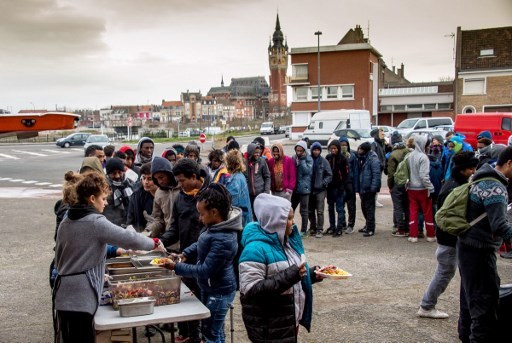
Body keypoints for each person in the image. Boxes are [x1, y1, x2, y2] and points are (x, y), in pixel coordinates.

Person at [53, 172, 164, 342]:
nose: (105, 203)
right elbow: (129, 239)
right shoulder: (95, 221)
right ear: (91, 198)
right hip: (81, 297)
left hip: (64, 293)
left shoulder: (68, 219)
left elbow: (81, 251)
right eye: (103, 198)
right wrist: (153, 242)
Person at [239, 193, 323, 342]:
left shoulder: (286, 242)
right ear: (275, 221)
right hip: (269, 327)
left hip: (287, 322)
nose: (293, 222)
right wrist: (293, 274)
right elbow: (251, 290)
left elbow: (287, 276)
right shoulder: (254, 249)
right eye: (289, 218)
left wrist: (312, 274)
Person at [162, 184, 241, 343]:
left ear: (214, 212)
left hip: (219, 291)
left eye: (201, 214)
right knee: (213, 330)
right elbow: (200, 244)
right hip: (209, 287)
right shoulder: (213, 226)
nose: (199, 218)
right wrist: (184, 254)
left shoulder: (225, 239)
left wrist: (176, 267)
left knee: (210, 333)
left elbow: (205, 270)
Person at [458, 147, 512, 342]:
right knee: (485, 307)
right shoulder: (495, 187)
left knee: (469, 299)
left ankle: (465, 335)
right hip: (480, 250)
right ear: (509, 163)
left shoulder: (480, 176)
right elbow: (500, 226)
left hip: (466, 246)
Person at [418, 151, 478, 319]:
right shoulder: (454, 188)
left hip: (448, 239)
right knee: (444, 272)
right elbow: (446, 217)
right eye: (471, 168)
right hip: (449, 240)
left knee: (446, 272)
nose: (474, 171)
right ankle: (426, 306)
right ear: (462, 169)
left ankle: (427, 305)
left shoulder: (455, 183)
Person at [159, 158, 211, 343]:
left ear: (195, 177)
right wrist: (159, 242)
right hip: (185, 256)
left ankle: (202, 337)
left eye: (182, 181)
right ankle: (188, 334)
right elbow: (174, 229)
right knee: (187, 298)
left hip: (205, 258)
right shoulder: (180, 197)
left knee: (204, 301)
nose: (179, 185)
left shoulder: (212, 194)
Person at [407, 135, 435, 243]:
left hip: (411, 188)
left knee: (413, 211)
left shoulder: (410, 156)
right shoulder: (423, 157)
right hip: (423, 189)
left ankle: (413, 235)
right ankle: (431, 234)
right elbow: (424, 176)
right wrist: (431, 188)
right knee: (427, 212)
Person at [146, 156, 179, 238]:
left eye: (161, 177)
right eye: (156, 179)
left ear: (169, 174)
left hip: (187, 239)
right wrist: (147, 232)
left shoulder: (183, 187)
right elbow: (158, 220)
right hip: (170, 239)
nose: (160, 181)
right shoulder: (159, 193)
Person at [386, 131, 410, 237]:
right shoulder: (408, 151)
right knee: (407, 206)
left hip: (397, 183)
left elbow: (391, 173)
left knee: (398, 207)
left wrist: (390, 186)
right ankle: (408, 227)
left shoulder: (393, 155)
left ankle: (400, 228)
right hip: (408, 183)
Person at [308, 142, 332, 238]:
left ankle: (319, 229)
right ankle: (312, 227)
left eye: (318, 150)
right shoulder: (308, 160)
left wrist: (323, 183)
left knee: (320, 211)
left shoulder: (324, 161)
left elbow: (329, 175)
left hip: (320, 190)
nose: (316, 152)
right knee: (310, 211)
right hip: (309, 190)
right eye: (314, 149)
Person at [356, 142, 381, 237]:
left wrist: (373, 188)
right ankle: (367, 225)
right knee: (364, 207)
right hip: (363, 188)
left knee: (370, 209)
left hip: (369, 188)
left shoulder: (373, 159)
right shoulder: (362, 158)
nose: (359, 151)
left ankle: (371, 228)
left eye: (361, 149)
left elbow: (376, 175)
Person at [223, 149, 253, 227]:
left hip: (240, 221)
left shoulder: (234, 181)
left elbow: (232, 204)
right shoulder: (240, 176)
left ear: (229, 163)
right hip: (246, 218)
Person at [325, 139, 349, 236]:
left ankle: (339, 228)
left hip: (339, 188)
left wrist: (342, 186)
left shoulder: (343, 159)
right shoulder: (328, 158)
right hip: (330, 187)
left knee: (339, 208)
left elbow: (346, 174)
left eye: (335, 148)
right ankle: (332, 226)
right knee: (330, 208)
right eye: (331, 148)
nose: (333, 150)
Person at [103, 158, 135, 226]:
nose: (117, 176)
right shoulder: (103, 189)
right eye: (113, 173)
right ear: (108, 174)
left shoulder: (130, 184)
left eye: (119, 172)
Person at [126, 162, 157, 232]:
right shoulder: (137, 195)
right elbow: (131, 219)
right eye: (144, 178)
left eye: (150, 179)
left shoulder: (165, 195)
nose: (146, 182)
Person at [291, 141, 313, 236]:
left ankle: (304, 230)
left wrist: (302, 160)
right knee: (291, 208)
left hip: (304, 189)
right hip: (295, 188)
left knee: (304, 211)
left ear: (304, 150)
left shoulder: (308, 159)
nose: (298, 152)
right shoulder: (293, 158)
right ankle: (290, 227)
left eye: (300, 151)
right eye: (297, 150)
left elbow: (307, 171)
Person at [244, 142, 271, 212]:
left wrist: (266, 191)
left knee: (260, 213)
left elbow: (267, 177)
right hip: (249, 195)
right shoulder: (244, 163)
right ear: (250, 152)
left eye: (259, 152)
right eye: (255, 152)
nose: (258, 154)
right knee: (252, 213)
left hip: (261, 194)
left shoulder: (262, 161)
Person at [339, 137, 358, 233]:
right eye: (341, 145)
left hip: (350, 183)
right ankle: (342, 223)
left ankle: (351, 224)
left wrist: (355, 185)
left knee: (351, 205)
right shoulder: (336, 156)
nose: (343, 147)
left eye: (345, 145)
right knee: (340, 205)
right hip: (340, 184)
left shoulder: (352, 156)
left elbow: (355, 171)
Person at [371, 128, 387, 208]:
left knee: (378, 183)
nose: (383, 134)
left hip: (380, 167)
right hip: (377, 167)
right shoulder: (374, 144)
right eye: (381, 133)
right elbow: (373, 155)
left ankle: (375, 199)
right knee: (376, 183)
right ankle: (373, 200)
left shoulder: (382, 143)